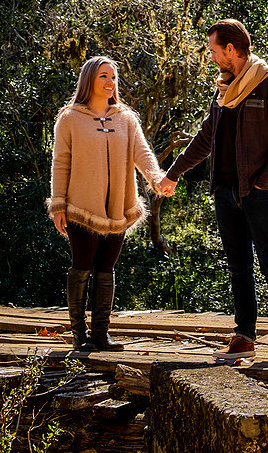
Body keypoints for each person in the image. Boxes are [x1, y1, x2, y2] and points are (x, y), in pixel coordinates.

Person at [158, 19, 268, 361]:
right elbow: (205, 138)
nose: (211, 57)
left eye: (213, 50)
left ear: (231, 50)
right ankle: (244, 336)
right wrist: (173, 174)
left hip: (257, 193)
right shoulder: (223, 92)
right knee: (239, 267)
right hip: (224, 192)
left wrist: (261, 183)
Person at [49, 56, 165, 352]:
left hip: (118, 207)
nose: (111, 82)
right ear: (89, 80)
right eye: (104, 76)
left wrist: (156, 178)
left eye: (113, 77)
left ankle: (101, 333)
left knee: (106, 269)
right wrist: (58, 204)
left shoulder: (126, 117)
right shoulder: (70, 118)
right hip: (81, 208)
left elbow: (142, 152)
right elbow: (61, 162)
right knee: (82, 267)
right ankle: (79, 334)